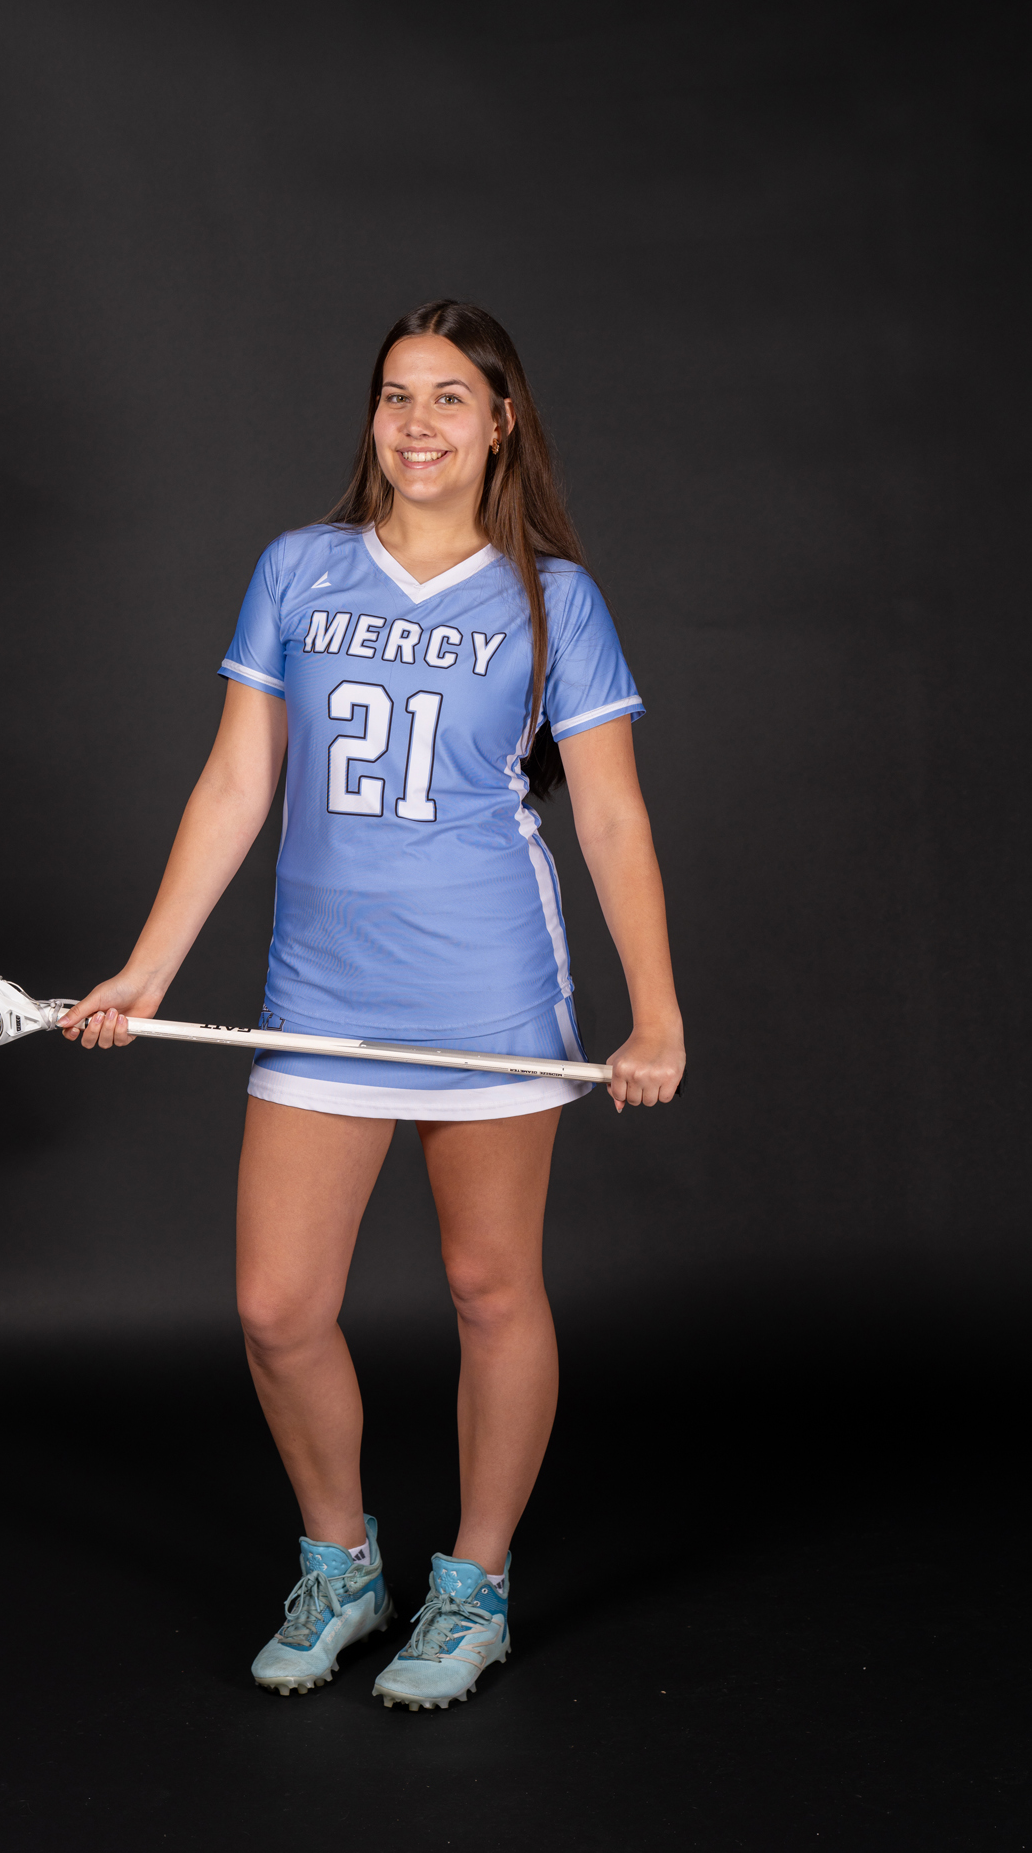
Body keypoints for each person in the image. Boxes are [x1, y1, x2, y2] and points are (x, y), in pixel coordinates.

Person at [61, 301, 685, 1711]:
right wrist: (147, 969)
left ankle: (474, 1586)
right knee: (277, 1307)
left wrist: (655, 1015)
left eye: (449, 397)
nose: (417, 422)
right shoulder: (297, 568)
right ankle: (340, 1566)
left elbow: (610, 818)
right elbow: (239, 782)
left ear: (501, 422)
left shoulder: (551, 598)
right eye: (397, 395)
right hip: (321, 994)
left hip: (487, 991)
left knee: (488, 1289)